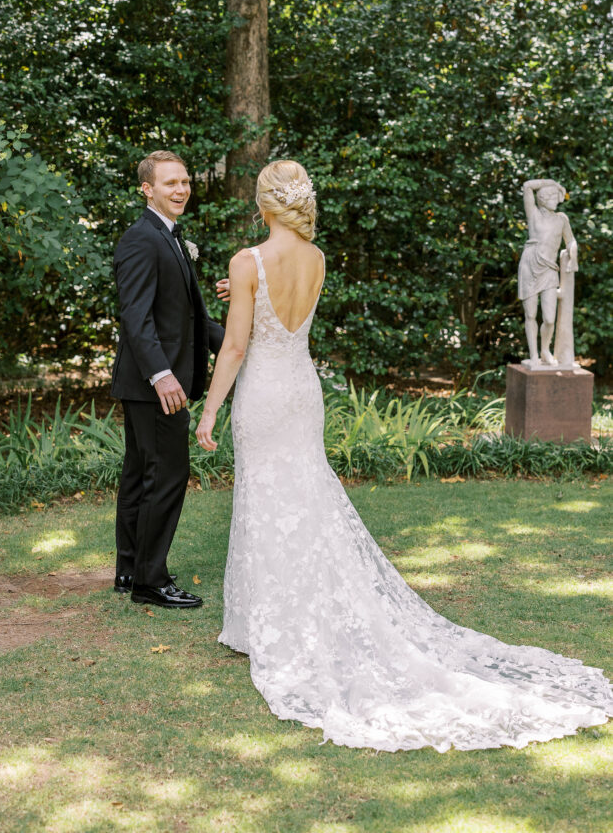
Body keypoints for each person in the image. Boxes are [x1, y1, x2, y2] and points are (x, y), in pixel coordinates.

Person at [195, 159, 612, 752]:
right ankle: (280, 619)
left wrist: (208, 411)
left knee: (266, 495)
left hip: (263, 393)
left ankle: (273, 628)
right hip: (301, 391)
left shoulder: (246, 262)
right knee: (303, 494)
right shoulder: (315, 260)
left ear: (263, 204)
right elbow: (279, 316)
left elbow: (236, 344)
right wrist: (241, 289)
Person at [111, 150, 224, 609]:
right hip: (155, 385)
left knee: (140, 476)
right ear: (147, 189)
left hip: (149, 383)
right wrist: (162, 376)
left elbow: (189, 320)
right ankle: (150, 581)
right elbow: (136, 319)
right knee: (167, 476)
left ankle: (129, 569)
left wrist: (239, 343)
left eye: (184, 182)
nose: (180, 190)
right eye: (170, 183)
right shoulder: (142, 239)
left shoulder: (170, 237)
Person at [518, 179, 578, 366]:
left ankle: (545, 349)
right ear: (542, 199)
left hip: (550, 268)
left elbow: (571, 241)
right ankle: (534, 355)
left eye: (555, 195)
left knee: (549, 318)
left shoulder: (561, 219)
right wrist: (551, 182)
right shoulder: (533, 214)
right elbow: (528, 186)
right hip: (530, 265)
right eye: (550, 196)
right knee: (530, 314)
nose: (555, 199)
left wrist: (573, 256)